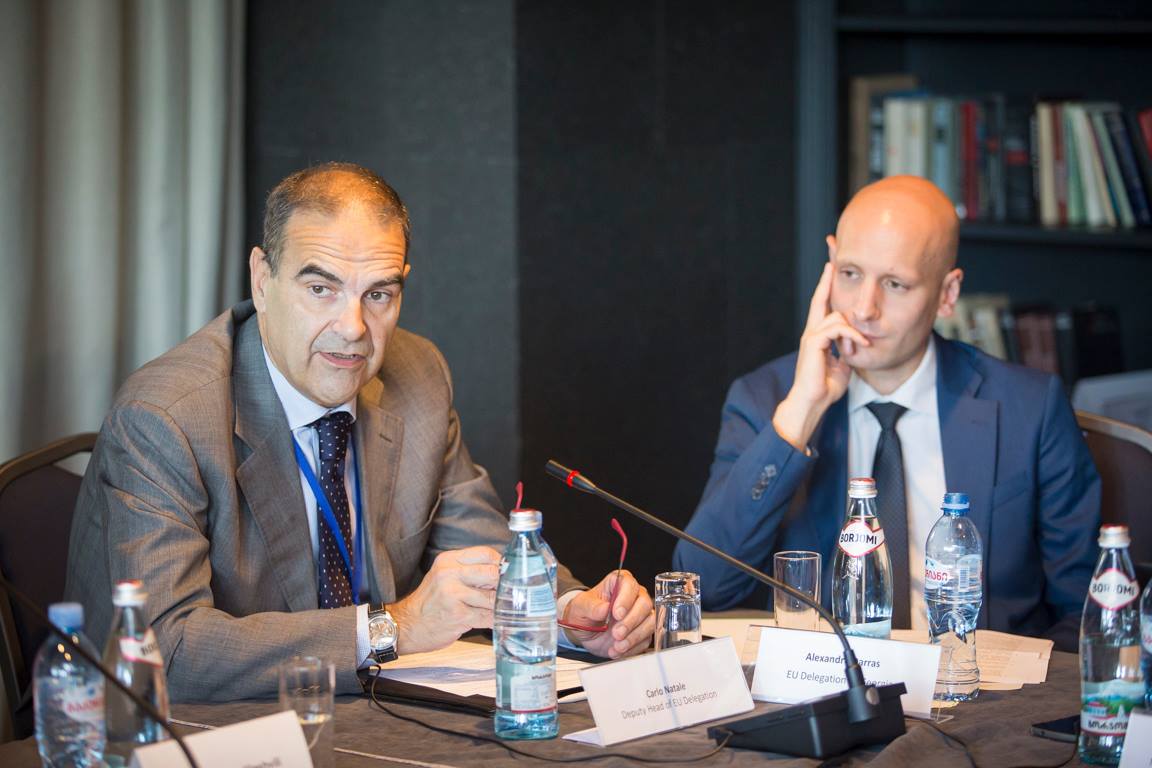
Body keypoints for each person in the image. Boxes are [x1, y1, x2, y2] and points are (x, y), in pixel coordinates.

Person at [66, 163, 654, 701]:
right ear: (262, 279)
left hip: (373, 722)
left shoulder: (418, 375)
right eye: (320, 289)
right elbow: (164, 651)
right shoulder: (165, 417)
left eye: (378, 294)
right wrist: (394, 627)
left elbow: (485, 555)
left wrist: (571, 613)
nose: (353, 328)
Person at [674, 176, 1099, 651]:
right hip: (827, 682)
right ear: (830, 260)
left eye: (895, 284)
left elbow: (1085, 610)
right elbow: (705, 587)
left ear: (947, 293)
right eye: (850, 273)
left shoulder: (1030, 407)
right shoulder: (766, 399)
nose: (863, 309)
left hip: (976, 682)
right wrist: (800, 414)